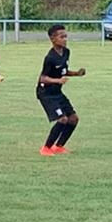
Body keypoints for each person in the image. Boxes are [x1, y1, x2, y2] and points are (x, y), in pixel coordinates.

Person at [36, 23, 85, 156]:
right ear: (53, 39)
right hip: (46, 93)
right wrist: (57, 81)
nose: (65, 39)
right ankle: (46, 148)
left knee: (73, 119)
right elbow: (43, 78)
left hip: (57, 92)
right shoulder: (50, 58)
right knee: (62, 119)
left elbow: (62, 71)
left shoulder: (66, 52)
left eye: (65, 36)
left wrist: (76, 73)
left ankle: (59, 146)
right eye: (61, 37)